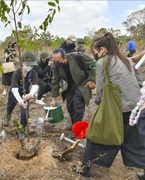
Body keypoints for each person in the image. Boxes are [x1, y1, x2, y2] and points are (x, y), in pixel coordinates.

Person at [73, 32, 145, 179]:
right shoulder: (126, 60)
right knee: (134, 142)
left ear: (103, 50)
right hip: (135, 108)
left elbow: (99, 91)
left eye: (96, 51)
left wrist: (99, 100)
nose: (96, 54)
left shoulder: (103, 62)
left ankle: (85, 171)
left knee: (94, 134)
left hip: (119, 110)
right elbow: (138, 81)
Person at [50, 48, 96, 138]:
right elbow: (55, 82)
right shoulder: (56, 66)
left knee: (77, 104)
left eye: (58, 61)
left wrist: (91, 80)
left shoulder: (77, 56)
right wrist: (53, 99)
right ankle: (74, 123)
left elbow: (94, 64)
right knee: (69, 106)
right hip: (70, 85)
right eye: (54, 61)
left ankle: (77, 130)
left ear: (64, 57)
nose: (56, 63)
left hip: (83, 83)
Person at [3, 51, 39, 140]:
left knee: (24, 113)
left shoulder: (33, 73)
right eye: (28, 64)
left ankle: (22, 129)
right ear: (23, 62)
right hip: (14, 94)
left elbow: (35, 86)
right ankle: (8, 116)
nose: (29, 66)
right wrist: (20, 101)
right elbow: (14, 89)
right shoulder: (17, 73)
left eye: (31, 64)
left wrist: (30, 95)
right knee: (10, 107)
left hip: (25, 94)